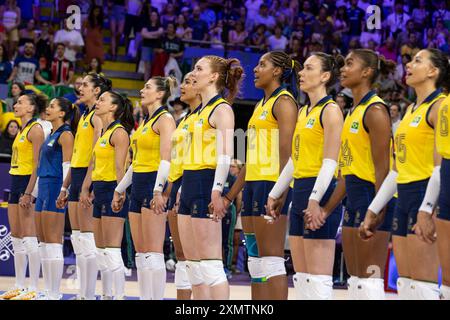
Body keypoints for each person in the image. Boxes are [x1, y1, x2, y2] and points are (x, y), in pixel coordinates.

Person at [361, 49, 448, 300]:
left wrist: (428, 208)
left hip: (425, 194)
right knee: (406, 285)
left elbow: (440, 166)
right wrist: (374, 208)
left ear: (433, 71)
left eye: (418, 61)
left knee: (423, 285)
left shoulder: (440, 106)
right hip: (403, 197)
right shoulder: (410, 110)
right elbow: (397, 169)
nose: (409, 65)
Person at [315, 49, 396, 299]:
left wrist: (378, 209)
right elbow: (347, 171)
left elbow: (384, 167)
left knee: (370, 279)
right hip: (353, 195)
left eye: (350, 64)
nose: (343, 68)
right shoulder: (353, 111)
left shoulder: (375, 110)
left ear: (367, 72)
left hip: (373, 196)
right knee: (356, 280)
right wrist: (327, 209)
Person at [218, 51, 299, 300]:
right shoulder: (260, 106)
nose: (255, 69)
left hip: (271, 184)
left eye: (262, 65)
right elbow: (251, 159)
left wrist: (281, 192)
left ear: (277, 71)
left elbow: (288, 155)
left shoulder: (284, 102)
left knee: (272, 261)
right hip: (254, 184)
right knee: (256, 261)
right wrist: (230, 196)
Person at [267, 52, 345, 300]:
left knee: (318, 278)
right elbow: (294, 159)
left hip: (320, 191)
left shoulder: (331, 111)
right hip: (300, 189)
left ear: (324, 76)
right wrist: (276, 191)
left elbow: (331, 162)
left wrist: (314, 199)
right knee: (301, 277)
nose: (300, 73)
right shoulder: (303, 112)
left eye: (308, 68)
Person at [179, 55, 243, 300]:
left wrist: (217, 191)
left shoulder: (222, 109)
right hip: (190, 182)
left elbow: (226, 155)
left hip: (208, 182)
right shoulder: (197, 113)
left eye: (198, 68)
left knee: (210, 264)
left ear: (214, 76)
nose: (193, 72)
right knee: (193, 264)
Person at [112, 76, 176, 300]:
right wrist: (120, 189)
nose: (142, 90)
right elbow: (136, 163)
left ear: (160, 94)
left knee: (154, 251)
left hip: (152, 183)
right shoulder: (146, 122)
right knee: (141, 254)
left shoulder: (165, 119)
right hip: (137, 183)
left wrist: (159, 190)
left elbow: (167, 158)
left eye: (147, 87)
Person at [56, 74, 111, 300]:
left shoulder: (98, 118)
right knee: (78, 239)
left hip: (88, 177)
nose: (81, 87)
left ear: (97, 91)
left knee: (88, 240)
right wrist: (65, 186)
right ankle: (82, 293)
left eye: (86, 85)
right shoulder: (84, 116)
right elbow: (77, 155)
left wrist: (88, 185)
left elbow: (96, 155)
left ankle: (91, 295)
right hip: (76, 175)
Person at [79, 90, 133, 300]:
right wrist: (87, 188)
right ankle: (106, 295)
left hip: (112, 189)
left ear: (113, 107)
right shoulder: (103, 133)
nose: (98, 102)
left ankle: (118, 296)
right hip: (100, 189)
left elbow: (120, 168)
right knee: (101, 250)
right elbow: (95, 166)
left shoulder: (119, 132)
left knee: (111, 250)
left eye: (102, 100)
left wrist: (119, 193)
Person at [0, 93, 45, 300]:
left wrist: (29, 191)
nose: (16, 105)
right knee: (16, 237)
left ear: (31, 108)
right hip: (15, 180)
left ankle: (33, 287)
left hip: (28, 182)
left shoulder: (36, 130)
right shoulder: (21, 129)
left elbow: (38, 164)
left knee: (29, 237)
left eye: (20, 102)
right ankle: (19, 285)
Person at [35, 97, 79, 300]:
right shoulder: (50, 133)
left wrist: (64, 190)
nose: (48, 108)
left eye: (53, 106)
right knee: (43, 242)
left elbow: (67, 165)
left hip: (54, 186)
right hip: (43, 187)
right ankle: (47, 290)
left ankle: (55, 292)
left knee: (53, 242)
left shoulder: (66, 134)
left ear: (62, 113)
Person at [165, 72, 202, 299]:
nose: (184, 86)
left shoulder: (210, 114)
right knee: (181, 255)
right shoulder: (183, 120)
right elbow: (175, 158)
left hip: (194, 185)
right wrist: (169, 187)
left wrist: (180, 188)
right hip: (177, 184)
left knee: (195, 255)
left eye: (189, 82)